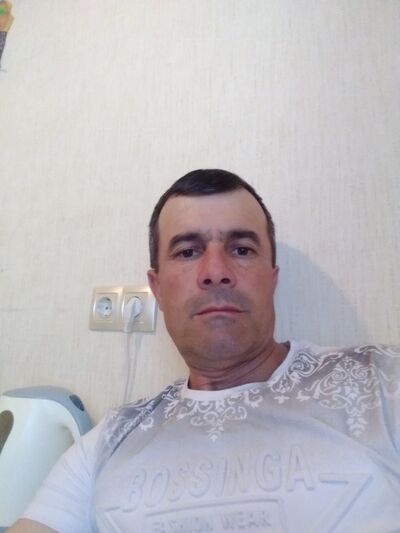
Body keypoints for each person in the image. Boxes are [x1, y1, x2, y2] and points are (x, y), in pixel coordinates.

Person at [9, 169, 400, 533]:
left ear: (272, 280)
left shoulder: (381, 382)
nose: (216, 271)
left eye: (242, 249)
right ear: (157, 289)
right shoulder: (111, 439)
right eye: (187, 252)